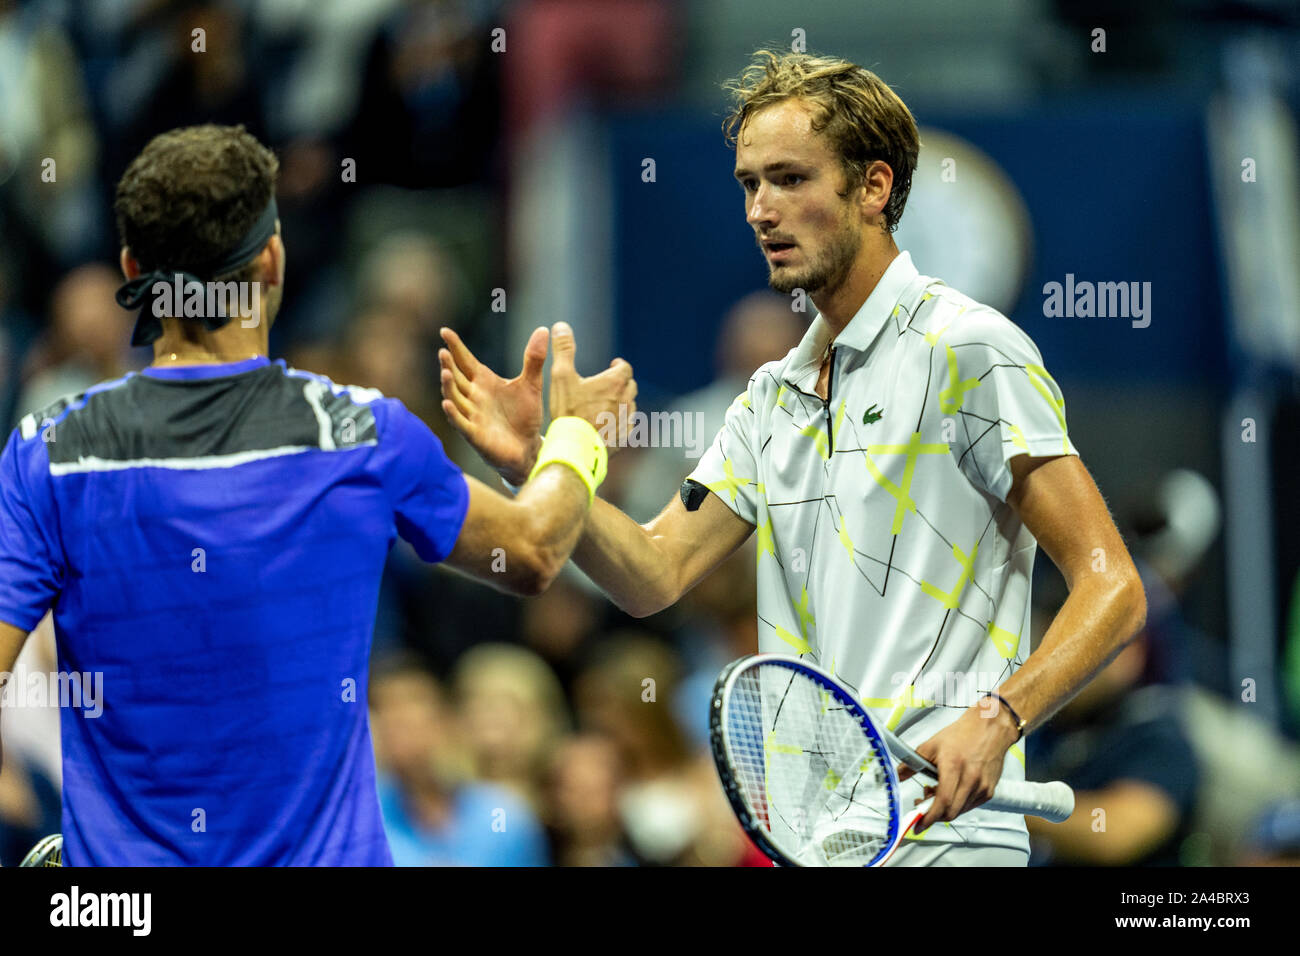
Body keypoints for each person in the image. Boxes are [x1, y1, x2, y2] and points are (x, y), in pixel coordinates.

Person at [437, 50, 1147, 866]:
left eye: (790, 180)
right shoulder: (768, 397)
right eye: (749, 184)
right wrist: (547, 463)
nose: (760, 211)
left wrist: (999, 717)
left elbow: (1113, 584)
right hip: (812, 844)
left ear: (873, 188)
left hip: (946, 843)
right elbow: (653, 573)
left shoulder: (970, 350)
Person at [0, 124, 636, 866]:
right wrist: (574, 440)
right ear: (271, 259)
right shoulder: (357, 434)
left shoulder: (49, 452)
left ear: (133, 268)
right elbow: (533, 551)